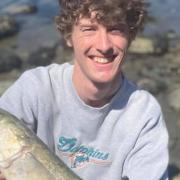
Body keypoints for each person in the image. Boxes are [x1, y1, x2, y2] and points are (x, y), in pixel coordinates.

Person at [0, 0, 169, 179]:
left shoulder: (144, 115)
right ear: (68, 35)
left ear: (131, 35)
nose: (103, 46)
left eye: (115, 29)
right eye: (89, 29)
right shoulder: (35, 89)